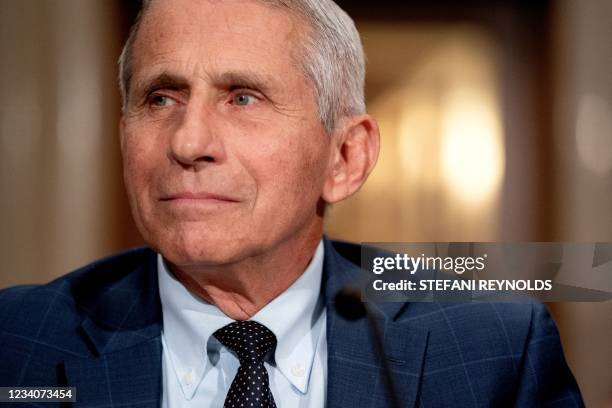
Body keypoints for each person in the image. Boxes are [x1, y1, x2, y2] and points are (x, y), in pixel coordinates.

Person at [0, 0, 584, 406]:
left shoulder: (494, 348)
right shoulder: (17, 343)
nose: (188, 142)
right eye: (160, 98)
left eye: (243, 98)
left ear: (346, 157)